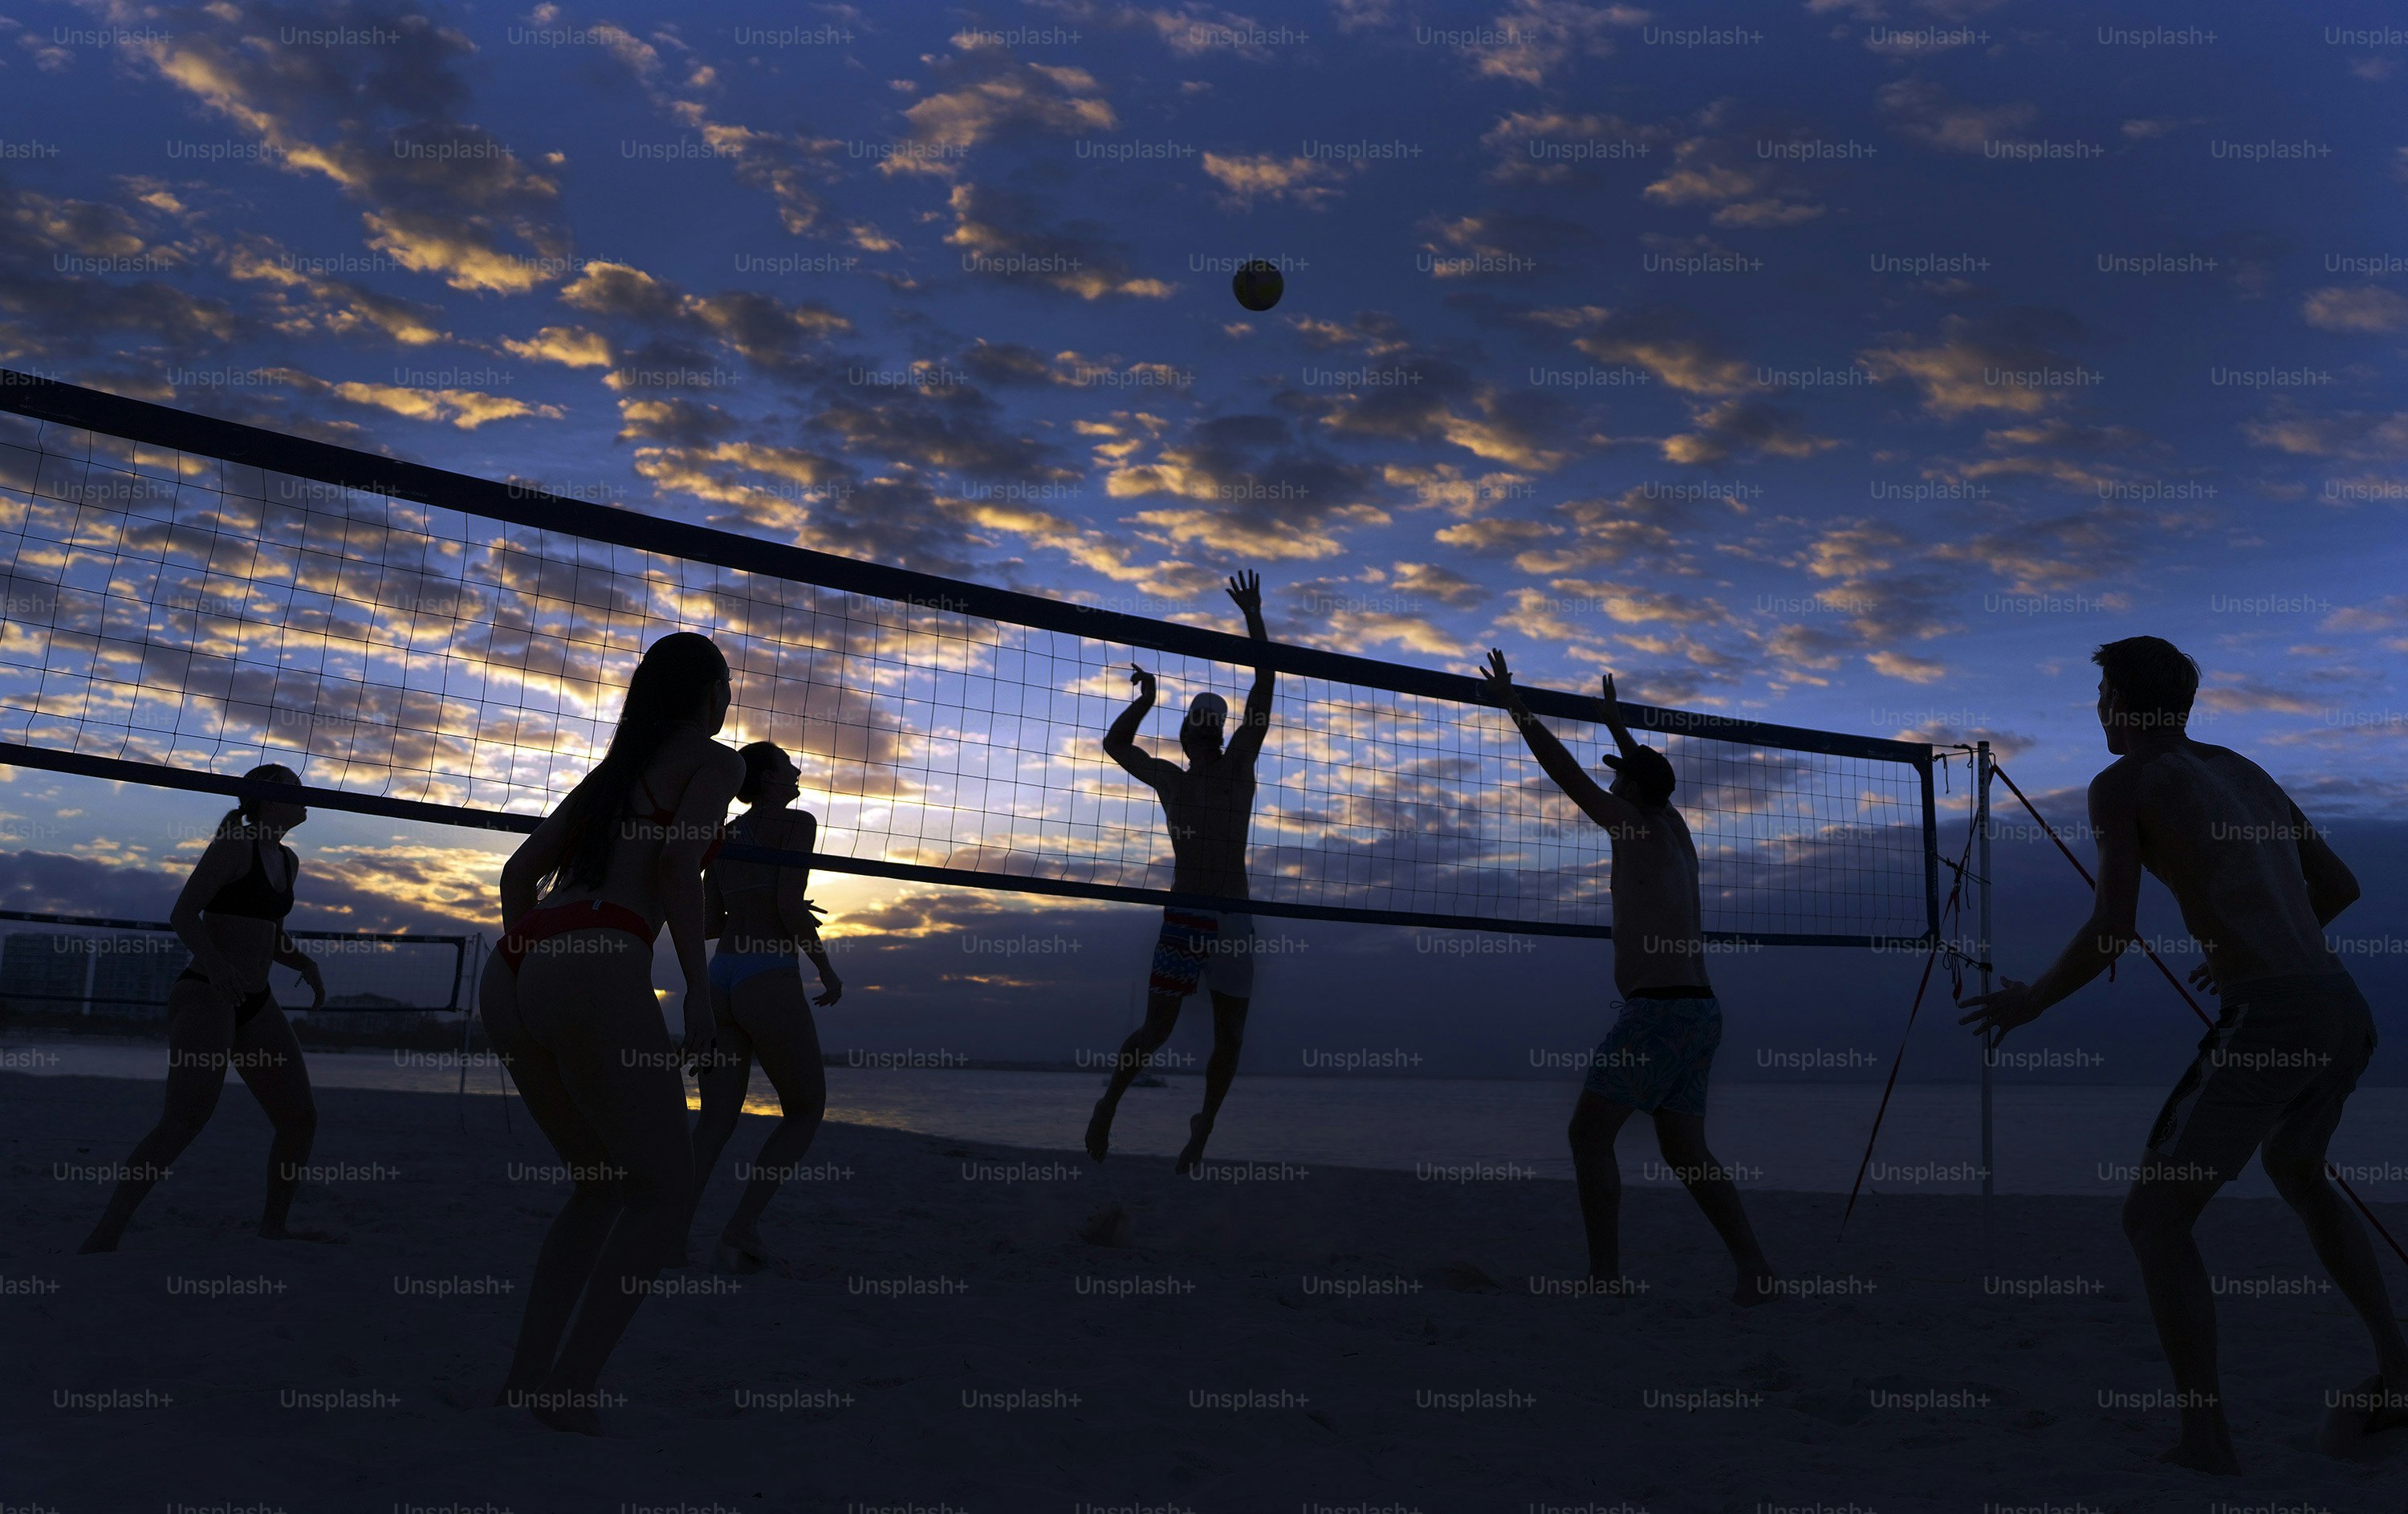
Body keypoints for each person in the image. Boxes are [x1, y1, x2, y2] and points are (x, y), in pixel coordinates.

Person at [1959, 636, 2406, 1474]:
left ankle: (2206, 1438)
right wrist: (2252, 940)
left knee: (2153, 1216)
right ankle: (2400, 1370)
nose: (2096, 711)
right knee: (2300, 1170)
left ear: (2120, 702)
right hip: (2342, 1007)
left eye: (2100, 696)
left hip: (2274, 1016)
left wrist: (2032, 1001)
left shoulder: (2124, 782)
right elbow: (2340, 886)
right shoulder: (2242, 769)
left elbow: (2112, 928)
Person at [479, 631, 744, 1433]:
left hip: (516, 963)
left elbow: (518, 874)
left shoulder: (614, 770)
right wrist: (698, 993)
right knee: (665, 1192)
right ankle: (568, 1391)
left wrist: (538, 968)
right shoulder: (717, 762)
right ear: (712, 695)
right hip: (598, 953)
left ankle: (526, 1381)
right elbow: (675, 867)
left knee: (599, 1183)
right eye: (727, 690)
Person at [1478, 653, 1774, 1305]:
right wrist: (1616, 725)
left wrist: (1515, 706)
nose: (1611, 784)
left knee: (1588, 1135)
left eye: (1620, 778)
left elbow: (1566, 775)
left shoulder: (1633, 826)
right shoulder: (1675, 827)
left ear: (1633, 790)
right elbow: (1643, 776)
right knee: (1686, 1152)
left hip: (1660, 1011)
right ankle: (1754, 1269)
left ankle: (1605, 1278)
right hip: (1701, 1012)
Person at [79, 765, 329, 1253]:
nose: (306, 797)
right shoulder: (234, 846)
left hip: (255, 999)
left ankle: (273, 1227)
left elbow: (269, 934)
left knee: (300, 1119)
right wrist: (216, 965)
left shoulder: (288, 859)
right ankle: (105, 1234)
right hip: (207, 993)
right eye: (295, 789)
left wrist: (305, 962)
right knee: (184, 1121)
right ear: (268, 800)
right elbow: (182, 914)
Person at [1087, 570, 1275, 1174]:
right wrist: (1144, 700)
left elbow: (1264, 685)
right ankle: (1110, 1103)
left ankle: (1203, 1127)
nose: (1204, 731)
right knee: (1157, 1028)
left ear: (1213, 735)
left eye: (1208, 725)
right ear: (1186, 734)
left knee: (1230, 1036)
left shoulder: (1239, 764)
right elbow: (1116, 747)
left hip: (1233, 916)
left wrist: (1254, 617)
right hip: (1187, 913)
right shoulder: (1171, 779)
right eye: (1197, 723)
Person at [686, 740, 844, 1272]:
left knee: (715, 1122)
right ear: (771, 780)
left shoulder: (725, 835)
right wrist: (825, 967)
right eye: (788, 766)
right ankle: (741, 1228)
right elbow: (785, 904)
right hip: (766, 973)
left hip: (722, 976)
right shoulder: (798, 823)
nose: (797, 772)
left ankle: (667, 1235)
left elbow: (710, 923)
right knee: (805, 1109)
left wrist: (765, 905)